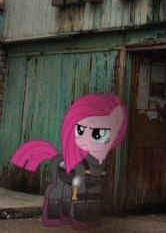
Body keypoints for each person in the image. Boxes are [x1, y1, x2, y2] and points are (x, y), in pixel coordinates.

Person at [11, 92, 128, 230]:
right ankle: (69, 218)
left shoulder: (100, 164)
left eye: (98, 133)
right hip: (72, 176)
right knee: (65, 190)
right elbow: (78, 192)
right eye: (80, 130)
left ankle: (91, 218)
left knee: (92, 190)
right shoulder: (82, 165)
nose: (84, 139)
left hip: (86, 173)